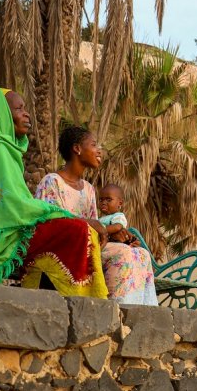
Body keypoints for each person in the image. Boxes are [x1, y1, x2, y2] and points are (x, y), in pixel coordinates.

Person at [0, 86, 108, 298]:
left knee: (75, 230)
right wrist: (74, 218)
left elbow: (12, 202)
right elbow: (16, 204)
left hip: (5, 231)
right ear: (0, 113)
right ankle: (78, 301)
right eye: (19, 109)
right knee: (76, 229)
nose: (26, 114)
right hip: (1, 237)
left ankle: (65, 299)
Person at [35, 126, 158, 306]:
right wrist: (94, 227)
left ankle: (143, 315)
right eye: (93, 145)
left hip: (89, 248)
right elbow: (47, 224)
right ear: (77, 148)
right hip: (62, 253)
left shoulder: (89, 189)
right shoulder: (52, 182)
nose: (99, 150)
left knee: (140, 253)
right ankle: (116, 311)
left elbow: (97, 231)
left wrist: (116, 238)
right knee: (124, 255)